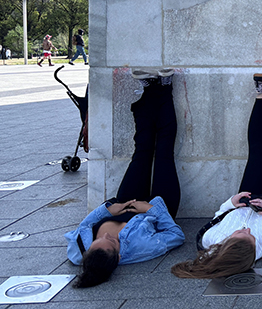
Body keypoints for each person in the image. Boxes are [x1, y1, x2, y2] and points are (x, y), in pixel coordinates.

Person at [172, 72, 262, 279]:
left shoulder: (211, 241)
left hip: (247, 199)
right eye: (250, 238)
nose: (247, 231)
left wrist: (231, 204)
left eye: (239, 234)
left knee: (257, 151)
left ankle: (260, 94)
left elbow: (218, 218)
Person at [65, 68, 183, 287]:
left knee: (142, 151)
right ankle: (165, 88)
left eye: (100, 240)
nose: (109, 238)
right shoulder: (142, 249)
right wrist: (149, 209)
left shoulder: (79, 250)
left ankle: (149, 91)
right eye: (112, 244)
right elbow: (176, 235)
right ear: (119, 258)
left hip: (124, 204)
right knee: (164, 151)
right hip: (157, 208)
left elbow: (83, 226)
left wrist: (108, 211)